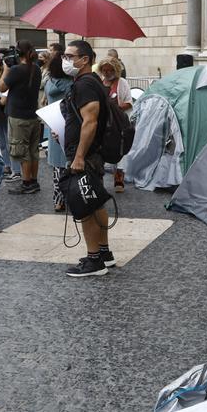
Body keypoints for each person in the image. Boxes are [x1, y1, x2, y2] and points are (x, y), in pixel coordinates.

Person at [60, 39, 113, 277]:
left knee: (85, 205)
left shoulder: (85, 84)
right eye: (65, 56)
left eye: (70, 56)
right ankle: (103, 253)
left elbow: (90, 121)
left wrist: (79, 156)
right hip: (91, 153)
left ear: (85, 60)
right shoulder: (87, 82)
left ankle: (94, 261)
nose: (66, 60)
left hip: (86, 155)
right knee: (95, 201)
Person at [0, 40, 43, 195]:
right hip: (33, 116)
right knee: (33, 150)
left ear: (18, 53)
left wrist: (5, 69)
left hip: (18, 117)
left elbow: (1, 87)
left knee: (22, 150)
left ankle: (26, 183)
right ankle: (34, 182)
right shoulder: (36, 69)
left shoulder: (16, 70)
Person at [43, 42, 73, 212]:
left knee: (57, 167)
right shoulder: (67, 84)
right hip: (65, 125)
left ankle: (59, 199)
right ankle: (65, 198)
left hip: (54, 123)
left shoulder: (49, 81)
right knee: (64, 164)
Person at [97, 57, 132, 192]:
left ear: (116, 70)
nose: (107, 72)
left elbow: (128, 102)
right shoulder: (100, 82)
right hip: (104, 123)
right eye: (104, 70)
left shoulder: (122, 82)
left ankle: (119, 179)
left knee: (119, 149)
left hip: (119, 123)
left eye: (110, 70)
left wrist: (114, 108)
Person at [0, 62, 22, 182]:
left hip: (5, 113)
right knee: (2, 142)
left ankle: (16, 170)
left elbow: (3, 100)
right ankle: (7, 166)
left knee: (9, 142)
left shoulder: (6, 82)